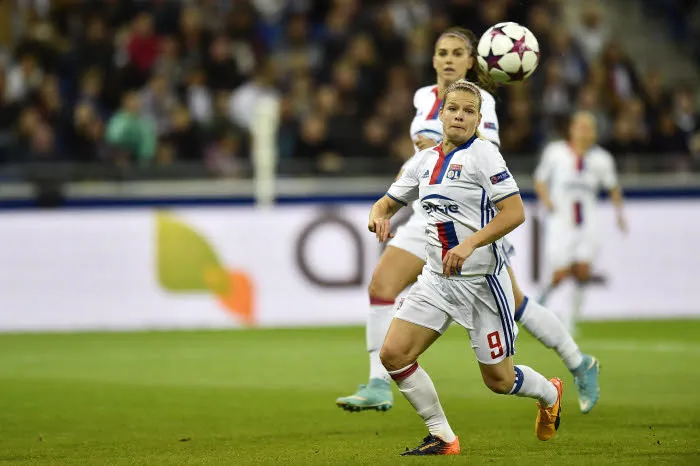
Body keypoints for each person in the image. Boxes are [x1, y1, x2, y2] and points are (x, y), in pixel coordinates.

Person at [336, 27, 600, 416]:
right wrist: (406, 181)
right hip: (428, 214)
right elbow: (417, 157)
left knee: (516, 305)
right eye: (441, 52)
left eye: (457, 53)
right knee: (381, 284)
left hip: (472, 219)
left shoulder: (482, 102)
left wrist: (449, 150)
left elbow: (486, 152)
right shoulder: (423, 97)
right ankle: (378, 381)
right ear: (432, 59)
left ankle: (579, 362)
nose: (448, 59)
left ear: (473, 61)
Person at [369, 80, 563, 455]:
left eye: (468, 111)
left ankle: (550, 392)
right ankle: (442, 436)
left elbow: (515, 212)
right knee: (393, 354)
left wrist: (470, 242)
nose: (459, 116)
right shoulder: (422, 162)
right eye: (453, 109)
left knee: (499, 381)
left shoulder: (484, 155)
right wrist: (377, 216)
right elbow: (386, 203)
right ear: (441, 113)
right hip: (436, 282)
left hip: (481, 285)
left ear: (478, 118)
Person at [535, 110, 627, 333]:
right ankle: (539, 303)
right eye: (581, 126)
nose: (585, 132)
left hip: (588, 223)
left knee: (583, 271)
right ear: (572, 129)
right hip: (561, 222)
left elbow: (613, 187)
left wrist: (619, 214)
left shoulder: (602, 159)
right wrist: (547, 201)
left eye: (589, 128)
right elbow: (540, 179)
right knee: (559, 273)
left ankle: (570, 319)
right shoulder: (555, 152)